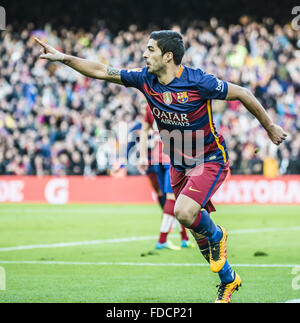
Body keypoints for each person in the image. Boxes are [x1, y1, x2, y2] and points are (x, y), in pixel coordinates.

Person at [35, 30, 287, 303]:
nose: (144, 54)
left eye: (150, 49)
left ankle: (218, 234)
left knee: (184, 212)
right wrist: (62, 58)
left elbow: (244, 93)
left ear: (168, 56)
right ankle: (228, 280)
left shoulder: (198, 81)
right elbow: (102, 70)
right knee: (193, 229)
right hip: (179, 164)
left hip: (209, 159)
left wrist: (270, 126)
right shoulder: (145, 79)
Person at [139, 104, 193, 250]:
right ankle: (162, 239)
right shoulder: (174, 102)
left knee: (175, 198)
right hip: (173, 157)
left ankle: (184, 238)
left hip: (157, 158)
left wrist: (143, 156)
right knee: (172, 198)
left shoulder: (150, 106)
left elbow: (144, 131)